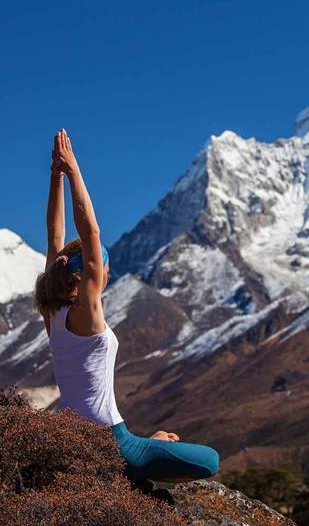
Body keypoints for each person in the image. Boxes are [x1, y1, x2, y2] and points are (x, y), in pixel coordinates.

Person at [34, 129, 220, 486]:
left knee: (160, 447)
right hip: (114, 444)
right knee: (210, 460)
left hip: (77, 444)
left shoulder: (53, 314)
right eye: (104, 266)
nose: (107, 272)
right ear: (88, 273)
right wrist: (72, 171)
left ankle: (148, 450)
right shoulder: (86, 312)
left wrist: (54, 178)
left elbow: (54, 235)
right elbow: (90, 233)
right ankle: (142, 460)